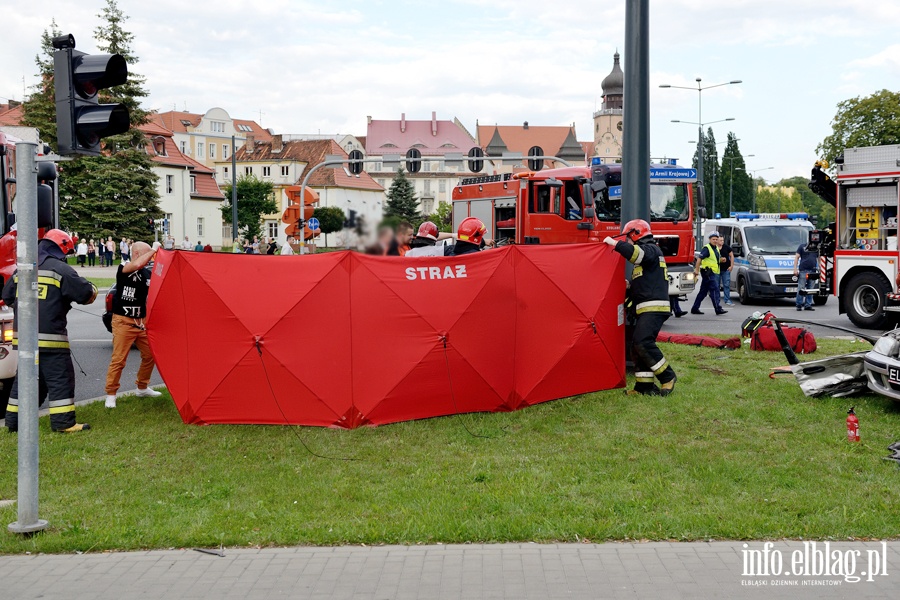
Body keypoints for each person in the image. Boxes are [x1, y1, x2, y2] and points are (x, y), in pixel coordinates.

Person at [3, 230, 98, 432]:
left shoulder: (23, 269)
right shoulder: (60, 269)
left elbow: (7, 296)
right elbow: (85, 293)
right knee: (60, 378)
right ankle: (64, 423)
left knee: (26, 381)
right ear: (62, 247)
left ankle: (13, 422)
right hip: (51, 340)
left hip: (25, 339)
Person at [604, 219, 677, 396]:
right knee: (636, 346)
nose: (628, 242)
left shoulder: (650, 249)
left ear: (636, 234)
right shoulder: (649, 255)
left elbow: (635, 254)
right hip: (646, 308)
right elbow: (645, 281)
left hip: (654, 308)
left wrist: (614, 243)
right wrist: (629, 286)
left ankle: (667, 376)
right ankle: (644, 387)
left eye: (628, 238)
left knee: (643, 342)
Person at [104, 241, 162, 408]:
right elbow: (137, 264)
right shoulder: (124, 266)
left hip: (141, 322)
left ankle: (142, 387)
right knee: (119, 359)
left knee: (150, 354)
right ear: (137, 253)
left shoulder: (146, 273)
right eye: (147, 254)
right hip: (123, 321)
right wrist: (154, 249)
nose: (150, 258)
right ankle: (111, 393)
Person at [691, 232, 726, 316]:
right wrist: (696, 269)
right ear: (709, 239)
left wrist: (721, 260)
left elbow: (713, 259)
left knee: (703, 291)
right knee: (714, 289)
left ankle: (695, 308)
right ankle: (718, 308)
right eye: (713, 239)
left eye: (716, 239)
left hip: (712, 272)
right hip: (708, 272)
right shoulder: (707, 248)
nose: (715, 241)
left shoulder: (716, 248)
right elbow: (699, 259)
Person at [794, 239, 818, 311]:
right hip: (803, 270)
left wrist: (820, 269)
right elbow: (797, 257)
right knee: (801, 288)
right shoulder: (802, 246)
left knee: (811, 289)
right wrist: (795, 269)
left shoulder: (816, 248)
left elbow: (819, 258)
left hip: (813, 270)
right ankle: (799, 304)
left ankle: (808, 305)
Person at [716, 235, 735, 307]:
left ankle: (727, 299)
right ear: (717, 241)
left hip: (726, 269)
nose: (722, 242)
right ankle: (717, 300)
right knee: (716, 285)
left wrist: (731, 266)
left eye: (723, 240)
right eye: (720, 240)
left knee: (726, 284)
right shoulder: (714, 248)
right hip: (717, 269)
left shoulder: (726, 247)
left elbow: (732, 256)